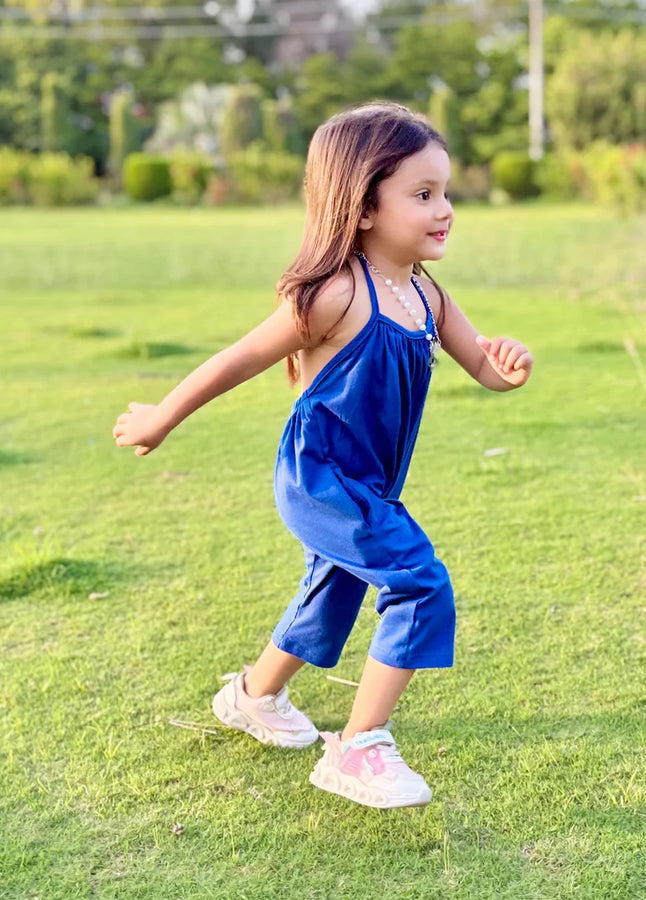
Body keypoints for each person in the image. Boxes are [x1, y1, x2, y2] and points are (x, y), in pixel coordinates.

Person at [113, 102, 533, 809]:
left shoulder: (426, 294)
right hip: (320, 477)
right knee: (420, 581)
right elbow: (238, 358)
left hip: (369, 481)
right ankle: (360, 747)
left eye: (447, 192)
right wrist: (161, 416)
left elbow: (484, 368)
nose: (445, 209)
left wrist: (508, 363)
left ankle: (253, 695)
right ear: (363, 206)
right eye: (423, 194)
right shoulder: (337, 295)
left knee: (333, 590)